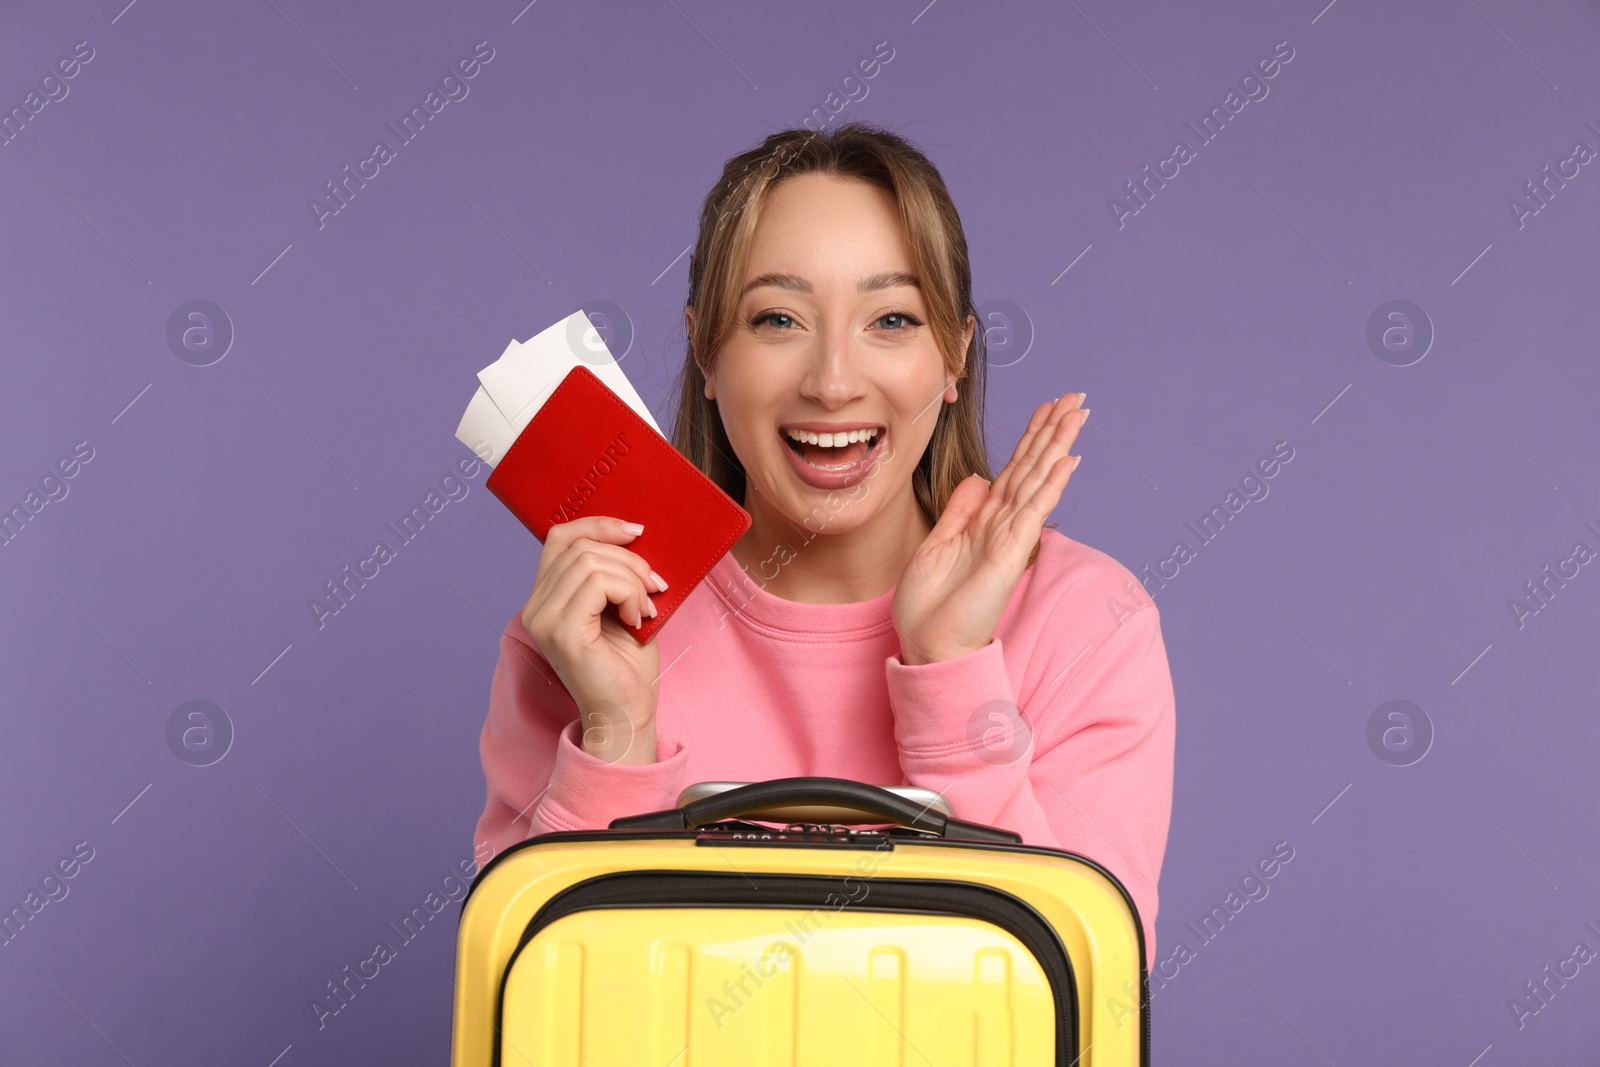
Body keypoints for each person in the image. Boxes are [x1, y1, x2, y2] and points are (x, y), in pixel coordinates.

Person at [472, 122, 1175, 955]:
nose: (833, 381)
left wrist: (950, 671)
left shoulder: (1088, 624)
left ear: (954, 355)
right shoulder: (586, 630)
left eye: (891, 319)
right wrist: (615, 737)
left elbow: (1079, 1000)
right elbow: (533, 1009)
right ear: (705, 350)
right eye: (777, 319)